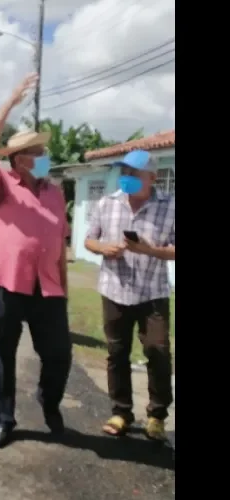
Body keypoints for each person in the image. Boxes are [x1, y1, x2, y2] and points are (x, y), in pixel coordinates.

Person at [0, 73, 72, 449]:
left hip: (48, 286)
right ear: (19, 160)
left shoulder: (55, 193)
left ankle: (49, 401)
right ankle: (2, 418)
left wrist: (64, 286)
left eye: (45, 152)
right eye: (38, 153)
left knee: (59, 355)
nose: (45, 158)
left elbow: (59, 242)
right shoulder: (0, 185)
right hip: (5, 285)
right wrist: (11, 101)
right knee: (1, 356)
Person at [83, 149, 175, 441]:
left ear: (152, 177)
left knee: (158, 352)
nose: (127, 178)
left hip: (153, 293)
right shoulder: (106, 203)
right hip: (114, 290)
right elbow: (89, 239)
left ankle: (157, 417)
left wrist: (148, 250)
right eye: (124, 173)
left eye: (133, 174)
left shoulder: (170, 206)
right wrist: (103, 249)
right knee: (117, 352)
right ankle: (121, 412)